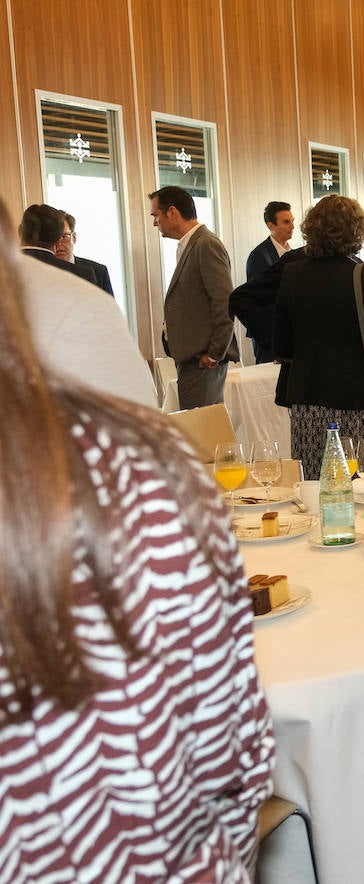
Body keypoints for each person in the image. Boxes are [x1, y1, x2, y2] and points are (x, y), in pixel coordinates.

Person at [0, 208, 274, 879]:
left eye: (157, 211)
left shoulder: (187, 255)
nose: (152, 219)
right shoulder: (119, 468)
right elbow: (226, 756)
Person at [274, 195, 364, 478]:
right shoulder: (363, 275)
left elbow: (281, 344)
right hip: (354, 401)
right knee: (358, 486)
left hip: (306, 401)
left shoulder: (292, 273)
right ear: (357, 231)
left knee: (314, 486)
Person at [16, 249, 155, 407]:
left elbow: (107, 320)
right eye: (59, 238)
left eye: (65, 236)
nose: (61, 243)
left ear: (73, 237)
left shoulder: (91, 271)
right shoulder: (33, 276)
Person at [151, 185, 240, 409]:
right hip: (191, 359)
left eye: (156, 215)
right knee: (199, 429)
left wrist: (214, 354)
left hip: (203, 361)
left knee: (203, 434)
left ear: (172, 212)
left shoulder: (205, 244)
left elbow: (224, 301)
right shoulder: (189, 244)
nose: (155, 223)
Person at [242, 201, 294, 361]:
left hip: (289, 333)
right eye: (286, 222)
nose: (292, 226)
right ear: (271, 225)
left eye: (292, 221)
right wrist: (268, 336)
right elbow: (255, 300)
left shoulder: (293, 255)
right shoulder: (259, 256)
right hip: (269, 336)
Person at [56, 211, 114, 295]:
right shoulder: (42, 272)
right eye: (54, 238)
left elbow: (109, 308)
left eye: (64, 237)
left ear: (74, 237)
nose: (59, 244)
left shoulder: (98, 272)